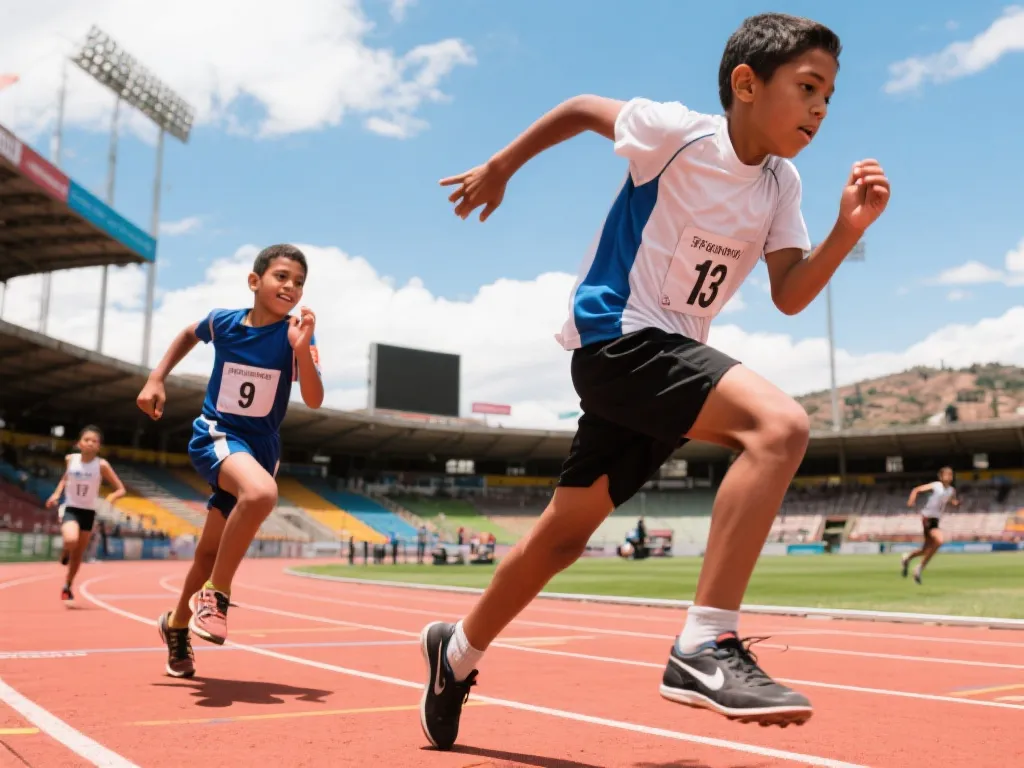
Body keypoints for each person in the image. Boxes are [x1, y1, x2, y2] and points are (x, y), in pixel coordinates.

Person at [418, 12, 891, 750]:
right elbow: (579, 110)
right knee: (779, 427)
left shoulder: (781, 184)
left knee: (560, 539)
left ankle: (454, 654)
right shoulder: (676, 133)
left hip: (663, 361)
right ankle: (706, 643)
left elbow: (791, 293)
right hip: (617, 337)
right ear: (745, 83)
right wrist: (503, 165)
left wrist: (847, 232)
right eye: (807, 88)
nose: (821, 108)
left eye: (830, 95)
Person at [136, 244, 323, 676]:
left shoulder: (298, 335)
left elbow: (313, 399)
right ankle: (214, 595)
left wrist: (300, 349)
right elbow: (188, 333)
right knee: (260, 495)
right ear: (255, 281)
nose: (290, 287)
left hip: (260, 450)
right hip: (217, 435)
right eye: (281, 276)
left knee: (207, 554)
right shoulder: (224, 321)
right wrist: (155, 378)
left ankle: (176, 625)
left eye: (298, 282)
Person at [45, 425, 126, 602]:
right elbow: (66, 478)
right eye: (86, 440)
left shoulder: (102, 465)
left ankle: (68, 584)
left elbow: (121, 489)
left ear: (99, 446)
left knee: (78, 555)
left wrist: (111, 498)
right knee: (71, 540)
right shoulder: (70, 459)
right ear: (79, 443)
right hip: (71, 507)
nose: (90, 443)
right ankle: (66, 550)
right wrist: (57, 494)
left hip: (89, 513)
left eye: (94, 441)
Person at [901, 467, 958, 584]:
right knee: (939, 540)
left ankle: (907, 558)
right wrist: (911, 500)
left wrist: (955, 503)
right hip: (927, 518)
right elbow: (916, 489)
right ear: (940, 476)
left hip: (936, 520)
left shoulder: (951, 490)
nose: (949, 477)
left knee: (925, 549)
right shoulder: (936, 485)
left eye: (950, 475)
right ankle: (919, 568)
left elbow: (951, 500)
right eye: (946, 475)